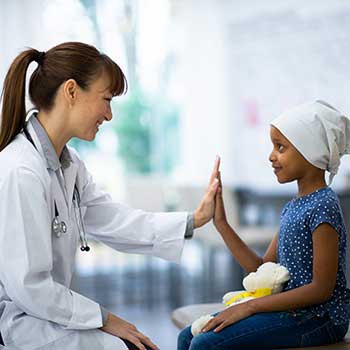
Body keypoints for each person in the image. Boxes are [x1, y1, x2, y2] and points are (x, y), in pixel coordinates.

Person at [0, 42, 221, 350]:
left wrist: (193, 220)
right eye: (106, 99)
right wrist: (105, 318)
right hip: (19, 325)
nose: (110, 114)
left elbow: (114, 220)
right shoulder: (21, 170)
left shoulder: (70, 164)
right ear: (72, 91)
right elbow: (30, 288)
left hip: (47, 316)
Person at [178, 100, 350, 349]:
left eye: (280, 147)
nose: (271, 156)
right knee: (188, 336)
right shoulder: (294, 206)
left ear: (310, 151)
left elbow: (321, 289)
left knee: (205, 344)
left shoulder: (323, 204)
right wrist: (222, 223)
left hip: (319, 318)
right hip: (294, 313)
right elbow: (260, 268)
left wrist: (250, 307)